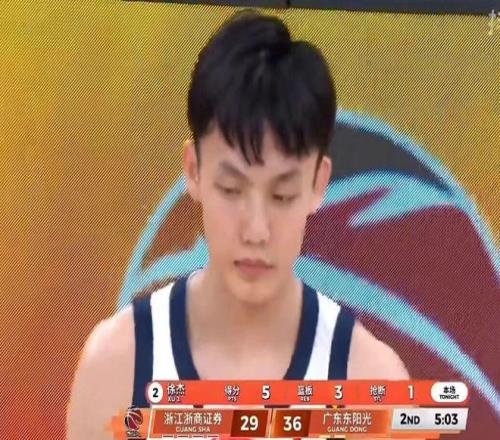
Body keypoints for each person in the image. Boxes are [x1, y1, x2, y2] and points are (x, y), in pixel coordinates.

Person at [67, 9, 408, 439]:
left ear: (318, 184)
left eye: (282, 196)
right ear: (194, 171)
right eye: (231, 189)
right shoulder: (118, 368)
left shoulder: (371, 384)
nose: (256, 231)